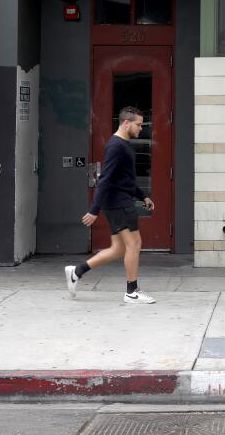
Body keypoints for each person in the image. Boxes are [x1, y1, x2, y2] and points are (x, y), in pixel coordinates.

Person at [64, 106, 156, 304]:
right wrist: (94, 210)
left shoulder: (122, 144)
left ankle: (76, 272)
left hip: (119, 201)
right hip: (119, 204)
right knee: (135, 244)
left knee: (118, 249)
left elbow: (124, 179)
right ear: (126, 123)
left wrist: (142, 196)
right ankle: (132, 291)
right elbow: (105, 179)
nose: (141, 128)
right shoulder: (117, 146)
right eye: (139, 125)